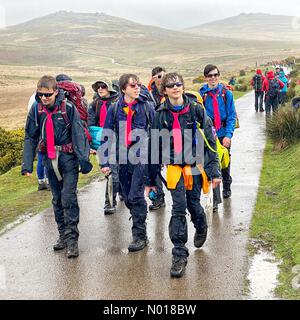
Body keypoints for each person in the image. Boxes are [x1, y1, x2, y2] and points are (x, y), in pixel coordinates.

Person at [146, 72, 221, 278]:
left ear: (183, 86)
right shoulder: (160, 114)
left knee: (193, 204)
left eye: (178, 84)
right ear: (165, 90)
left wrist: (214, 171)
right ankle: (179, 254)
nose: (175, 87)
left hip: (195, 166)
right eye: (170, 85)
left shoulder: (196, 109)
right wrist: (151, 180)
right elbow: (153, 146)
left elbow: (210, 143)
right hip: (173, 168)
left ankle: (201, 224)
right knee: (178, 207)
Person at [22, 75, 93, 259]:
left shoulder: (67, 108)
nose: (44, 98)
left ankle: (72, 242)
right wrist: (27, 165)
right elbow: (30, 137)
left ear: (56, 92)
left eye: (48, 95)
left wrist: (84, 162)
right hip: (48, 159)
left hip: (68, 160)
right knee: (56, 199)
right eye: (41, 95)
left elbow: (78, 134)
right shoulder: (36, 110)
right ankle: (62, 235)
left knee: (68, 198)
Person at [100, 74, 155, 252]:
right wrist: (104, 161)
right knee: (126, 196)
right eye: (132, 86)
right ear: (123, 89)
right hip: (122, 158)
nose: (137, 88)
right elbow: (107, 134)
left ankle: (139, 236)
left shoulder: (146, 106)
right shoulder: (115, 109)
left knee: (135, 196)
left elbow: (156, 131)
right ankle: (140, 216)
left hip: (142, 157)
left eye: (138, 85)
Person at [200, 64, 237, 211]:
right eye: (210, 76)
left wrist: (228, 135)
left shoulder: (226, 93)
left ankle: (227, 183)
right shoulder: (201, 95)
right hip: (209, 136)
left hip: (223, 134)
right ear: (206, 78)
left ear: (219, 76)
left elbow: (232, 116)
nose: (213, 78)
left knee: (224, 163)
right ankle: (215, 201)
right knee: (212, 165)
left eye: (215, 75)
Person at [88, 80, 120, 215]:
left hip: (118, 142)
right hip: (102, 143)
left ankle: (120, 193)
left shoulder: (118, 103)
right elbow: (90, 125)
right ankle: (110, 203)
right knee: (111, 174)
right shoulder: (95, 104)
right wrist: (92, 144)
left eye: (103, 86)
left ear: (110, 88)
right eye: (98, 87)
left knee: (119, 173)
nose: (100, 89)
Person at [146, 66, 167, 211]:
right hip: (154, 135)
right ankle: (159, 198)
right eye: (159, 77)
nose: (162, 79)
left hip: (171, 135)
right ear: (153, 78)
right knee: (155, 168)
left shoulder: (170, 89)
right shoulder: (148, 96)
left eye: (164, 76)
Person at [27, 93, 50, 191]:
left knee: (41, 157)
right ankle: (49, 181)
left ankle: (41, 181)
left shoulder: (33, 97)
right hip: (44, 132)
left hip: (37, 132)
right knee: (47, 158)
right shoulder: (46, 98)